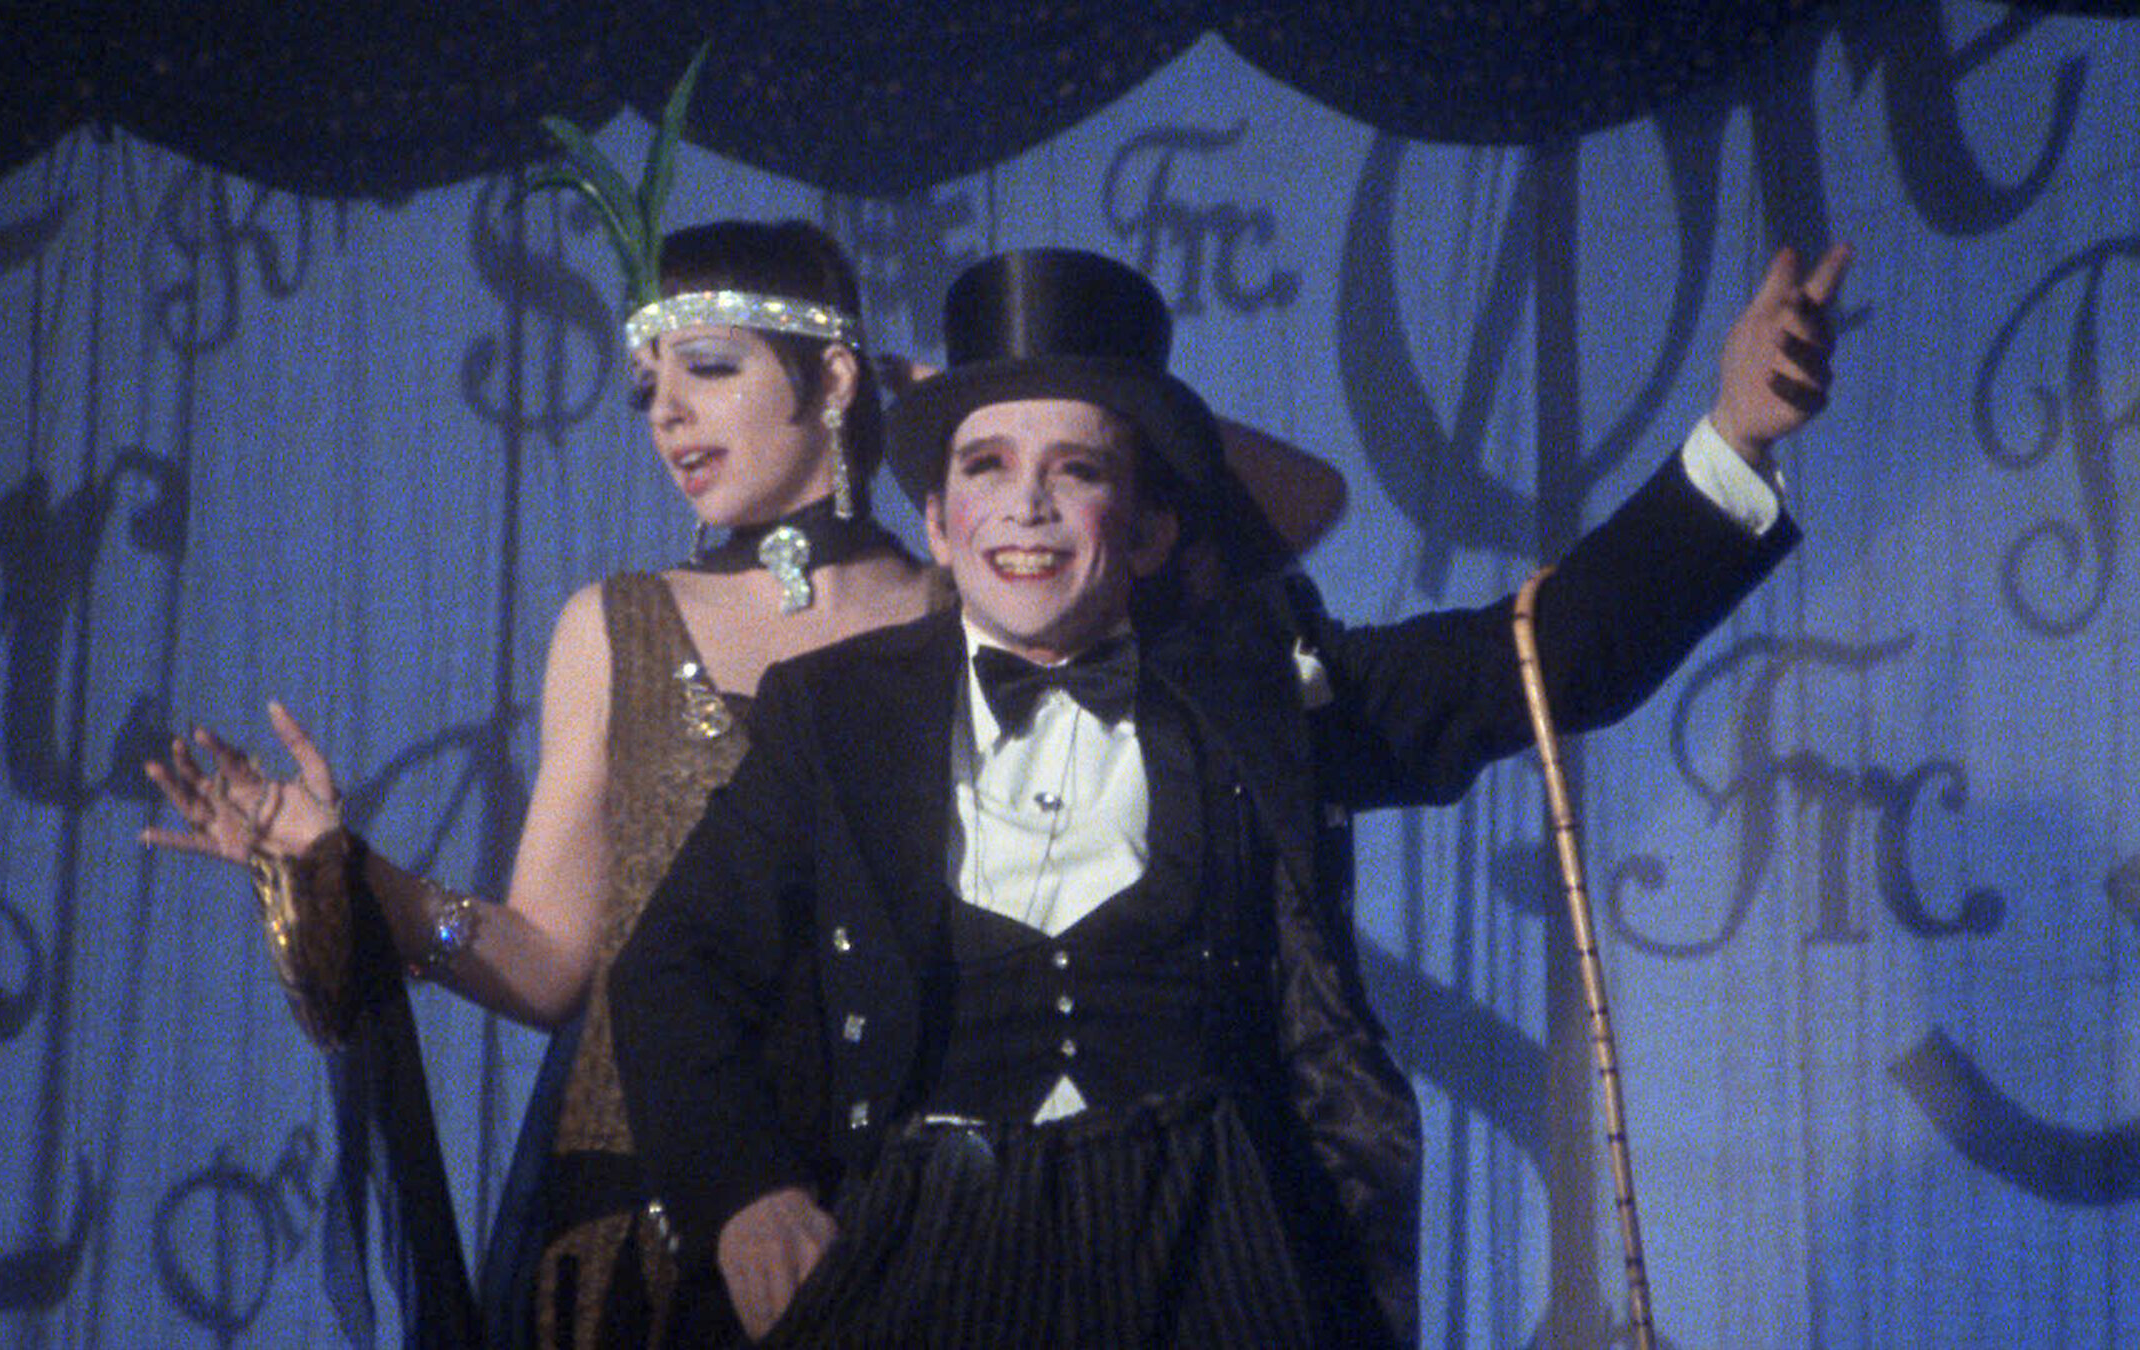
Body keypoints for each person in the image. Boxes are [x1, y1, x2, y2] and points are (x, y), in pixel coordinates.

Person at [610, 243, 1849, 1345]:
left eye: (1076, 469)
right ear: (936, 522)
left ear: (1150, 531)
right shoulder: (836, 712)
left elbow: (1530, 660)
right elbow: (673, 966)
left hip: (1213, 1245)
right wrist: (745, 1193)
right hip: (930, 1245)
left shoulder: (1259, 686)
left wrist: (1733, 442)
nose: (1027, 503)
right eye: (987, 466)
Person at [141, 219, 934, 1347]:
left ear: (837, 377)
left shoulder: (961, 615)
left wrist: (971, 425)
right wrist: (349, 870)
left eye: (709, 368)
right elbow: (554, 964)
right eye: (647, 387)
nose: (666, 413)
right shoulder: (618, 628)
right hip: (651, 1211)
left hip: (898, 1194)